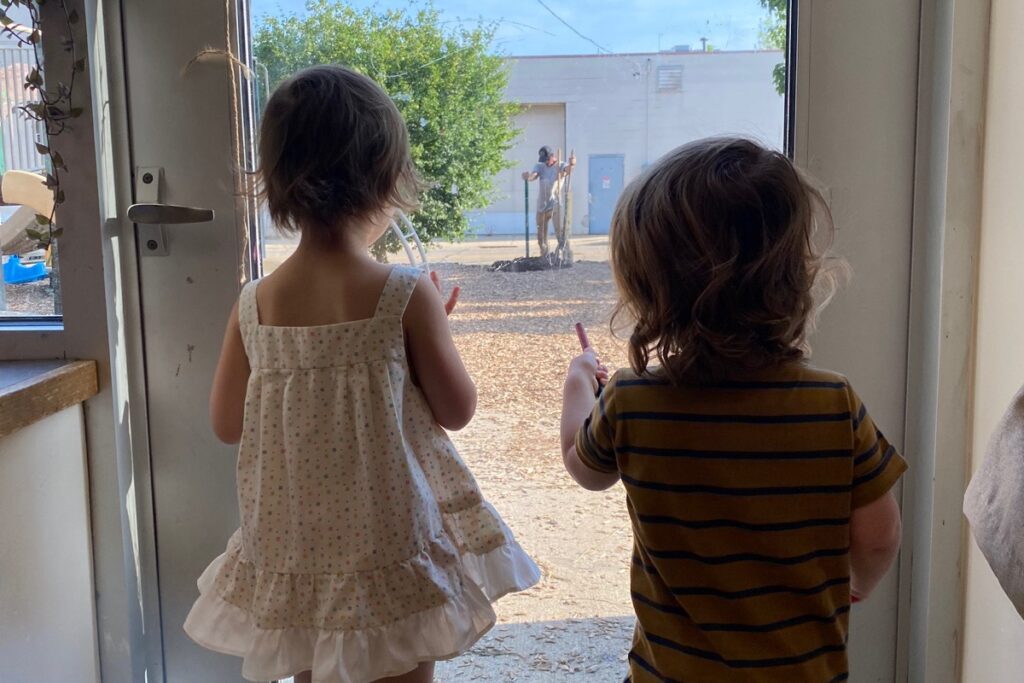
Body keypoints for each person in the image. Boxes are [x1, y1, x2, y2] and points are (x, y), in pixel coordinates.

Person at [184, 65, 540, 683]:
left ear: (274, 182)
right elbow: (457, 409)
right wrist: (433, 333)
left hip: (295, 550)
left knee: (314, 668)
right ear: (385, 178)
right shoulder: (404, 294)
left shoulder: (254, 304)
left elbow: (223, 424)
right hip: (385, 546)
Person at [558, 138, 907, 682]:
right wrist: (858, 579)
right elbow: (880, 534)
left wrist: (579, 381)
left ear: (651, 288)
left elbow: (584, 469)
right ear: (794, 276)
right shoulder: (833, 404)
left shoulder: (632, 401)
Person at [522, 145, 576, 257]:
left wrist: (572, 164)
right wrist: (528, 177)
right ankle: (545, 256)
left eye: (547, 160)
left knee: (559, 233)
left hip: (555, 205)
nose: (545, 162)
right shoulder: (540, 166)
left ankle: (566, 255)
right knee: (541, 236)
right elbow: (533, 176)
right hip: (542, 205)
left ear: (552, 156)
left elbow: (568, 170)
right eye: (543, 160)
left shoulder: (561, 165)